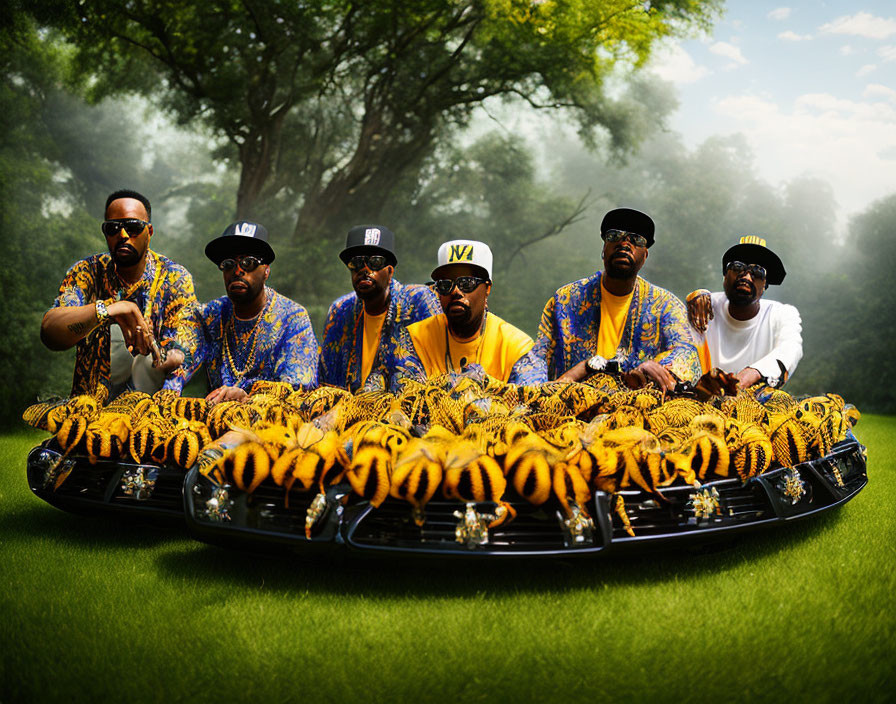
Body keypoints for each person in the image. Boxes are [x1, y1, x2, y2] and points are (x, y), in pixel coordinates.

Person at [41, 189, 196, 401]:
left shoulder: (174, 278)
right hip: (89, 410)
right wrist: (110, 309)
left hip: (152, 413)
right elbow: (50, 333)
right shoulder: (87, 272)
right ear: (105, 233)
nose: (123, 235)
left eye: (133, 227)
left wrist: (169, 355)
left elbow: (185, 349)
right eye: (113, 228)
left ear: (149, 232)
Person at [533, 207, 700, 392]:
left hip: (639, 412)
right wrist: (537, 390)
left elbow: (686, 352)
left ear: (645, 256)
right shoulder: (565, 300)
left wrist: (654, 367)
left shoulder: (666, 306)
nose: (624, 243)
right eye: (614, 236)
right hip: (571, 410)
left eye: (636, 240)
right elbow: (536, 359)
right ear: (604, 248)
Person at [171, 221, 319, 402]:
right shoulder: (210, 315)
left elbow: (299, 388)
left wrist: (247, 398)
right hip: (214, 418)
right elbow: (180, 358)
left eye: (248, 263)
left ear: (266, 271)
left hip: (271, 422)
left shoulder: (293, 318)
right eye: (228, 264)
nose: (238, 270)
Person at [393, 239, 547, 387]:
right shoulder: (414, 339)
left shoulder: (517, 347)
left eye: (466, 283)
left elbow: (532, 400)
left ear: (487, 288)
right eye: (446, 285)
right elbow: (403, 394)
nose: (456, 291)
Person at [318, 225, 440, 391]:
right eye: (357, 263)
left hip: (406, 409)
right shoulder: (340, 311)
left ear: (390, 271)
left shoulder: (418, 302)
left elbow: (441, 367)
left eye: (375, 262)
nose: (365, 270)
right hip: (347, 410)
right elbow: (326, 379)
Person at [687, 235, 802, 395]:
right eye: (738, 267)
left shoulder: (781, 314)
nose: (746, 276)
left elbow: (791, 349)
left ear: (765, 285)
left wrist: (753, 373)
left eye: (757, 272)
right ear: (725, 276)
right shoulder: (704, 307)